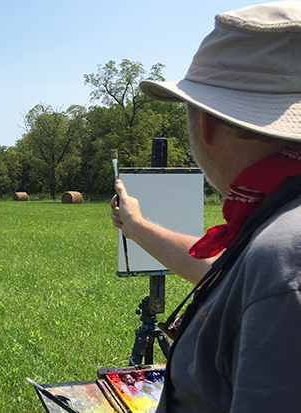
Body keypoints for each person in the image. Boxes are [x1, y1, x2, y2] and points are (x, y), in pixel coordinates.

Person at [111, 2, 301, 412]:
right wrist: (137, 225)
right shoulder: (281, 231)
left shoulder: (284, 257)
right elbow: (229, 276)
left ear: (206, 123)